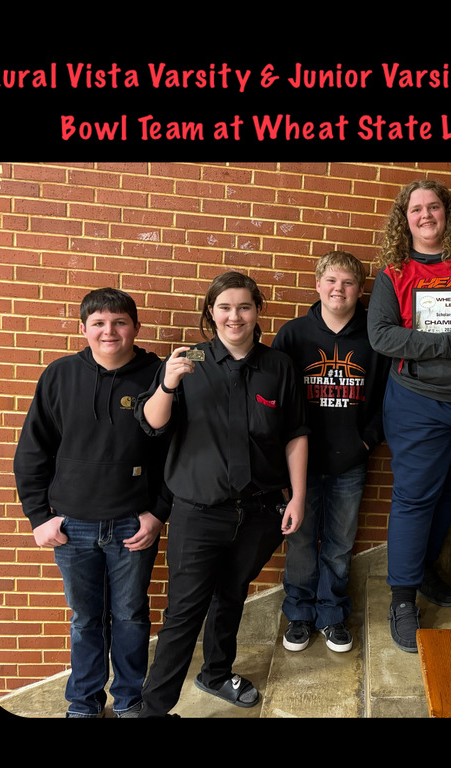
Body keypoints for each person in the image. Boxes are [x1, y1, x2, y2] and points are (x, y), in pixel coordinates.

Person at [135, 271, 308, 716]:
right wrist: (168, 383)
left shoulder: (278, 366)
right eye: (225, 307)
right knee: (184, 613)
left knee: (231, 595)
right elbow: (152, 425)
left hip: (261, 511)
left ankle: (215, 673)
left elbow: (294, 434)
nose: (235, 316)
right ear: (210, 313)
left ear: (257, 312)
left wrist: (298, 496)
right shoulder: (185, 361)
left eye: (244, 307)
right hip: (198, 512)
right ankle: (154, 710)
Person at [13, 288, 169, 718]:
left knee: (132, 617)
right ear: (83, 329)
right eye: (98, 323)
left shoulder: (158, 377)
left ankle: (130, 701)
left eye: (119, 322)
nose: (109, 331)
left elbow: (175, 454)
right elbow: (32, 451)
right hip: (72, 526)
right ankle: (82, 704)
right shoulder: (59, 375)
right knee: (85, 620)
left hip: (132, 527)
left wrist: (158, 512)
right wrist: (39, 517)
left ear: (136, 327)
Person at [367, 179, 451, 652]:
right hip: (418, 404)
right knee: (414, 497)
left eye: (433, 207)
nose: (425, 215)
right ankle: (401, 597)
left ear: (449, 213)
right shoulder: (394, 273)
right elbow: (383, 337)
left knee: (449, 494)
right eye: (415, 210)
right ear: (404, 221)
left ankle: (423, 570)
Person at [276, 251, 388, 654]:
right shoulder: (292, 335)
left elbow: (386, 399)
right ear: (317, 284)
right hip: (298, 466)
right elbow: (276, 401)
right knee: (302, 541)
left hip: (350, 462)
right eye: (331, 281)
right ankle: (300, 614)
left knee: (339, 543)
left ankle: (333, 613)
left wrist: (366, 440)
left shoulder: (375, 337)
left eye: (348, 283)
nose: (338, 289)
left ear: (360, 291)